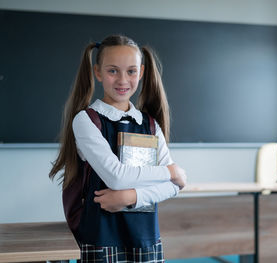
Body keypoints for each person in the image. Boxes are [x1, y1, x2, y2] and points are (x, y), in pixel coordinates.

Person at [49, 34, 186, 263]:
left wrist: (130, 197)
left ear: (141, 73)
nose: (123, 80)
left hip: (145, 239)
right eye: (113, 71)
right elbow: (117, 178)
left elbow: (172, 188)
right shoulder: (87, 120)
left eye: (131, 71)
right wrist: (172, 172)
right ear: (98, 72)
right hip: (102, 240)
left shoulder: (150, 124)